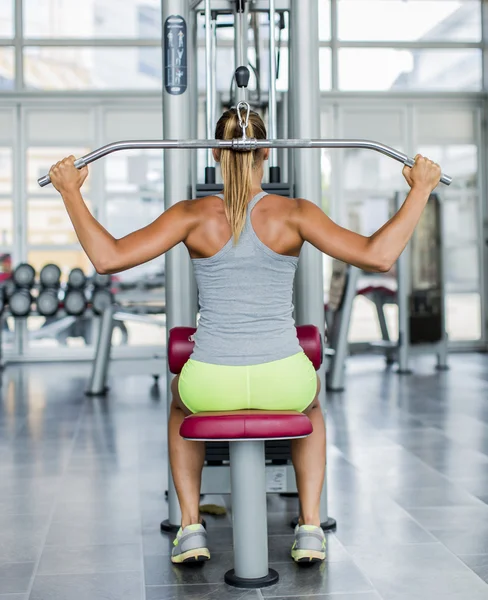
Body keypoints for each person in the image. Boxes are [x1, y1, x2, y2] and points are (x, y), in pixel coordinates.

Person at [49, 107, 441, 566]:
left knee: (179, 402)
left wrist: (71, 193)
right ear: (268, 153)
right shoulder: (296, 213)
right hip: (284, 381)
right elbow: (380, 256)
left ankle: (190, 526)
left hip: (210, 383)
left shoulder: (191, 215)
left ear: (215, 153)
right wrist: (421, 189)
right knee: (312, 404)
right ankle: (311, 526)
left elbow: (107, 257)